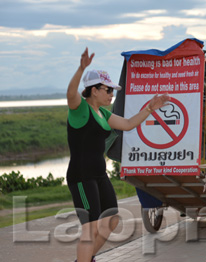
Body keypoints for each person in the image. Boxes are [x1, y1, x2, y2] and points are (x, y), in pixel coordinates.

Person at [66, 48, 170, 262]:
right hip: (81, 176)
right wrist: (81, 68)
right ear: (94, 90)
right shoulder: (80, 110)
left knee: (111, 219)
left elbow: (128, 124)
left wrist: (151, 108)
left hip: (98, 174)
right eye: (108, 90)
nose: (112, 95)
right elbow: (70, 94)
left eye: (113, 91)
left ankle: (87, 258)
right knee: (90, 226)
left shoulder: (103, 113)